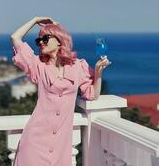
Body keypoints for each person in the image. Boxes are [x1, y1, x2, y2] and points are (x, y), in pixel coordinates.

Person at [10, 17, 111, 166]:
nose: (41, 42)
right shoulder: (38, 65)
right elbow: (15, 37)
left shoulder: (78, 66)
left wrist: (98, 72)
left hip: (60, 145)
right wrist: (36, 19)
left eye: (45, 38)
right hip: (35, 141)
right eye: (38, 41)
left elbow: (92, 94)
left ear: (59, 41)